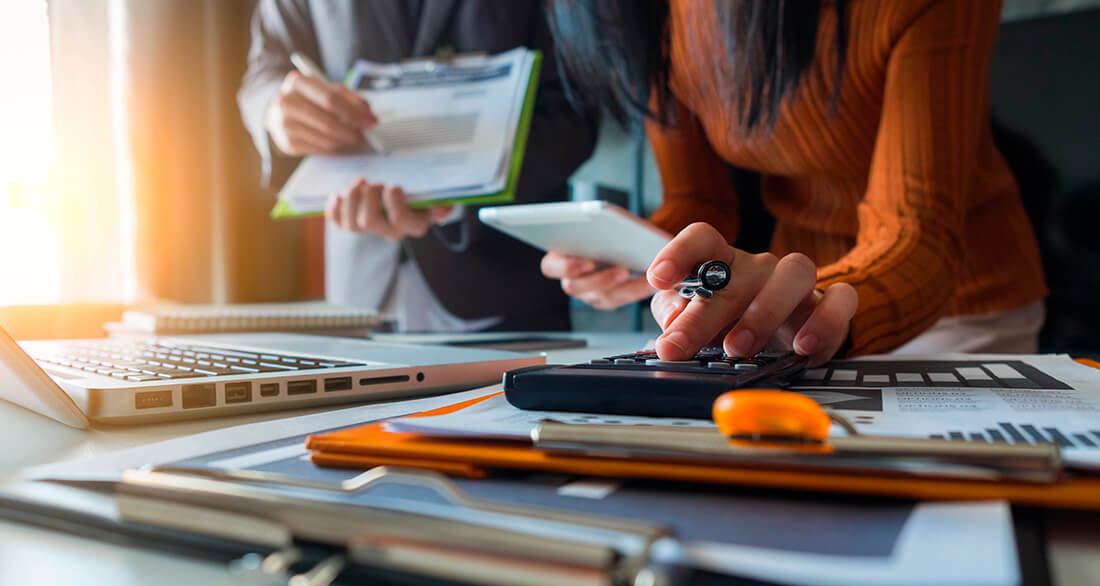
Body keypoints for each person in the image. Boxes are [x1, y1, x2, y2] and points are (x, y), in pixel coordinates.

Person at [542, 0, 1047, 364]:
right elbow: (697, 202)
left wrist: (801, 306)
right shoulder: (654, 17)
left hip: (955, 306)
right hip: (788, 305)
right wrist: (640, 255)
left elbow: (918, 232)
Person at [239, 1, 597, 331]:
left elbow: (576, 101)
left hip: (502, 281)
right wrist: (275, 110)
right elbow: (266, 69)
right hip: (357, 284)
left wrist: (456, 193)